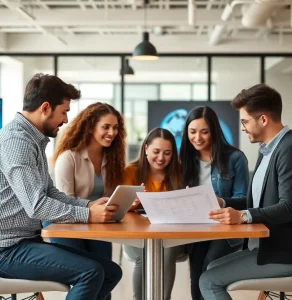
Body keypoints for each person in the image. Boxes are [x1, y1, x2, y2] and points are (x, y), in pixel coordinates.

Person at [0, 74, 122, 300]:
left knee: (111, 272)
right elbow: (37, 206)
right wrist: (88, 214)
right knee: (91, 273)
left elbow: (50, 193)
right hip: (5, 251)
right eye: (64, 112)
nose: (66, 120)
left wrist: (89, 204)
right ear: (45, 108)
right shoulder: (16, 142)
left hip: (25, 243)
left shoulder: (32, 140)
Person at [199, 84, 292, 300]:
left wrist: (243, 216)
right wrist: (223, 202)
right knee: (212, 267)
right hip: (264, 249)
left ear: (263, 119)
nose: (242, 127)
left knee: (208, 281)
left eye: (245, 121)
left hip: (282, 253)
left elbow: (289, 207)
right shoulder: (268, 149)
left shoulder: (287, 149)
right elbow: (259, 202)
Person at [43, 103, 126, 277]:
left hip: (96, 225)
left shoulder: (112, 158)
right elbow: (65, 202)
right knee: (88, 275)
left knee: (107, 275)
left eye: (115, 127)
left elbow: (109, 197)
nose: (112, 132)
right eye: (106, 127)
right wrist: (91, 208)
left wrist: (124, 204)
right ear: (90, 127)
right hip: (66, 223)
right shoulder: (68, 157)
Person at [179, 106, 249, 300]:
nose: (198, 138)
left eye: (204, 132)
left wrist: (221, 201)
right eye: (192, 132)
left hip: (225, 230)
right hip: (196, 228)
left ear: (214, 132)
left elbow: (245, 200)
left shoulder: (235, 158)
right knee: (196, 277)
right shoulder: (185, 160)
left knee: (209, 268)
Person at [123, 127, 184, 300]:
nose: (161, 158)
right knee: (143, 254)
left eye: (167, 153)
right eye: (156, 151)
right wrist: (131, 205)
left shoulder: (178, 172)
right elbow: (120, 207)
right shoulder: (131, 171)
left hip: (170, 232)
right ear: (146, 148)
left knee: (168, 249)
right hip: (136, 232)